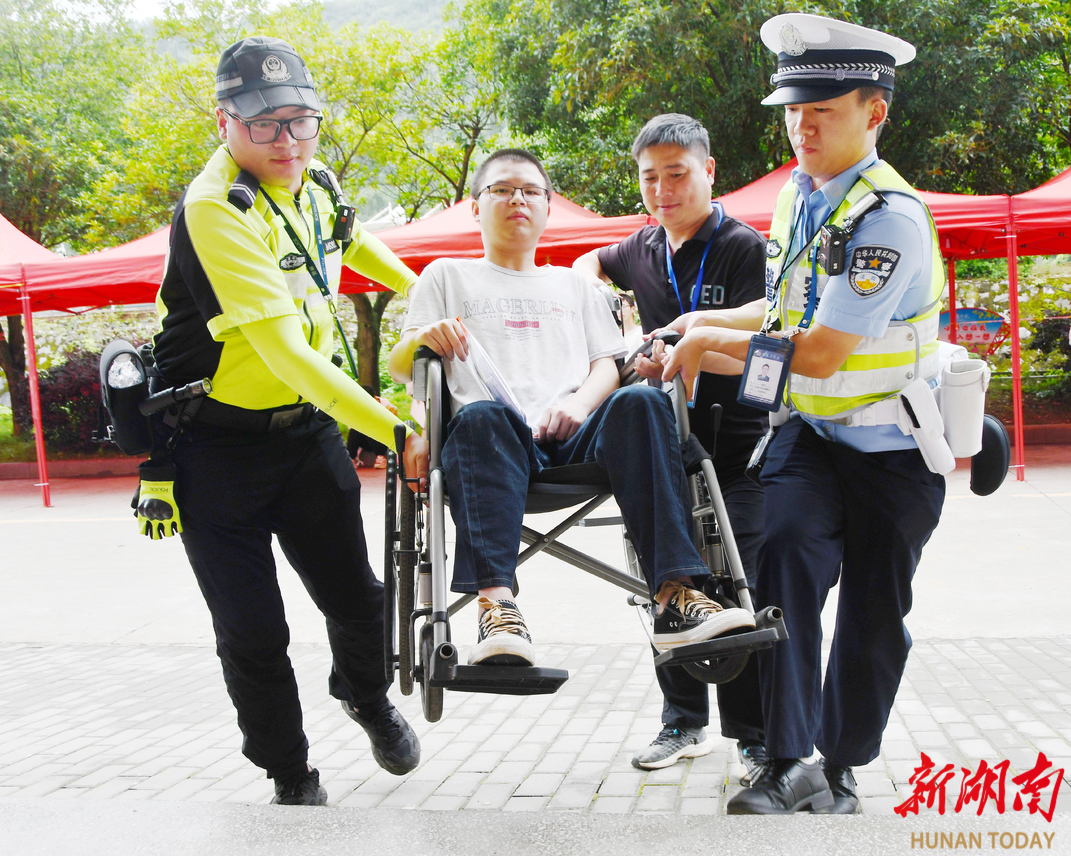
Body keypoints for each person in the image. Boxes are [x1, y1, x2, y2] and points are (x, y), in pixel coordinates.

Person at [656, 15, 947, 814]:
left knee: (873, 615)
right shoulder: (797, 195)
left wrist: (711, 344)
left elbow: (818, 351)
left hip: (895, 451)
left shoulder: (890, 218)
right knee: (781, 562)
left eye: (822, 109)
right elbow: (786, 309)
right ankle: (785, 762)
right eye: (792, 108)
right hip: (809, 439)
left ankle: (841, 769)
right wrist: (702, 324)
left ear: (874, 112)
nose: (801, 126)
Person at [144, 36, 428, 806]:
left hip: (305, 436)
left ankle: (366, 698)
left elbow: (353, 241)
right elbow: (289, 357)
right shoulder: (214, 209)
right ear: (224, 122)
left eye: (301, 120)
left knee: (360, 599)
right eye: (264, 123)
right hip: (213, 448)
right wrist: (397, 433)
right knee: (253, 631)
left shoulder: (312, 179)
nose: (287, 140)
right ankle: (290, 773)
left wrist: (429, 294)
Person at [388, 148, 755, 672]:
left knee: (642, 400)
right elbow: (408, 367)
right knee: (480, 416)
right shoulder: (445, 276)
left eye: (530, 191)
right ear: (475, 206)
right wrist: (423, 361)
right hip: (492, 445)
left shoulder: (575, 285)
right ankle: (497, 610)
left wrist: (579, 406)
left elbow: (607, 365)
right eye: (501, 190)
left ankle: (676, 593)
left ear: (547, 204)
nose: (517, 199)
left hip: (577, 439)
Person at [573, 114, 770, 775]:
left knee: (738, 585)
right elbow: (587, 264)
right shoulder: (640, 247)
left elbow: (769, 327)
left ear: (709, 170)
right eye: (649, 177)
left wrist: (692, 334)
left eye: (677, 174)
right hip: (659, 449)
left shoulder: (743, 246)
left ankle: (754, 737)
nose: (663, 190)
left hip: (734, 447)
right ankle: (683, 723)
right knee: (664, 579)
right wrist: (600, 297)